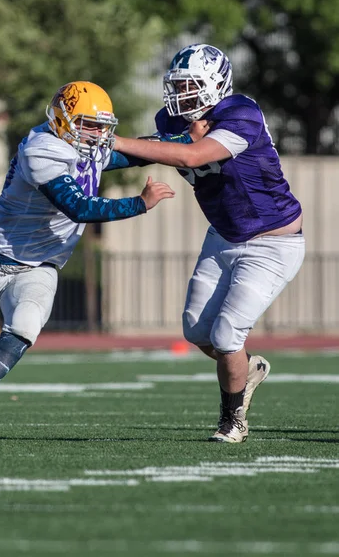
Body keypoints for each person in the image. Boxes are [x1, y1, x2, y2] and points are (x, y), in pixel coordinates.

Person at [0, 80, 175, 444]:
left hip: (41, 264)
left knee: (25, 328)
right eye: (89, 124)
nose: (98, 134)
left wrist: (191, 143)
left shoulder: (84, 144)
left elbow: (139, 151)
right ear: (62, 119)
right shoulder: (41, 148)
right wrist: (138, 204)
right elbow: (77, 206)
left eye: (102, 126)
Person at [113, 43, 305, 443]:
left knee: (226, 336)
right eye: (177, 85)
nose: (179, 94)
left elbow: (192, 157)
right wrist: (88, 149)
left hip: (272, 241)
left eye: (189, 85)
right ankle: (247, 370)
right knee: (197, 332)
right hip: (223, 235)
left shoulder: (241, 113)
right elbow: (149, 150)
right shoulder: (171, 118)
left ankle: (232, 420)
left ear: (215, 85)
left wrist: (113, 141)